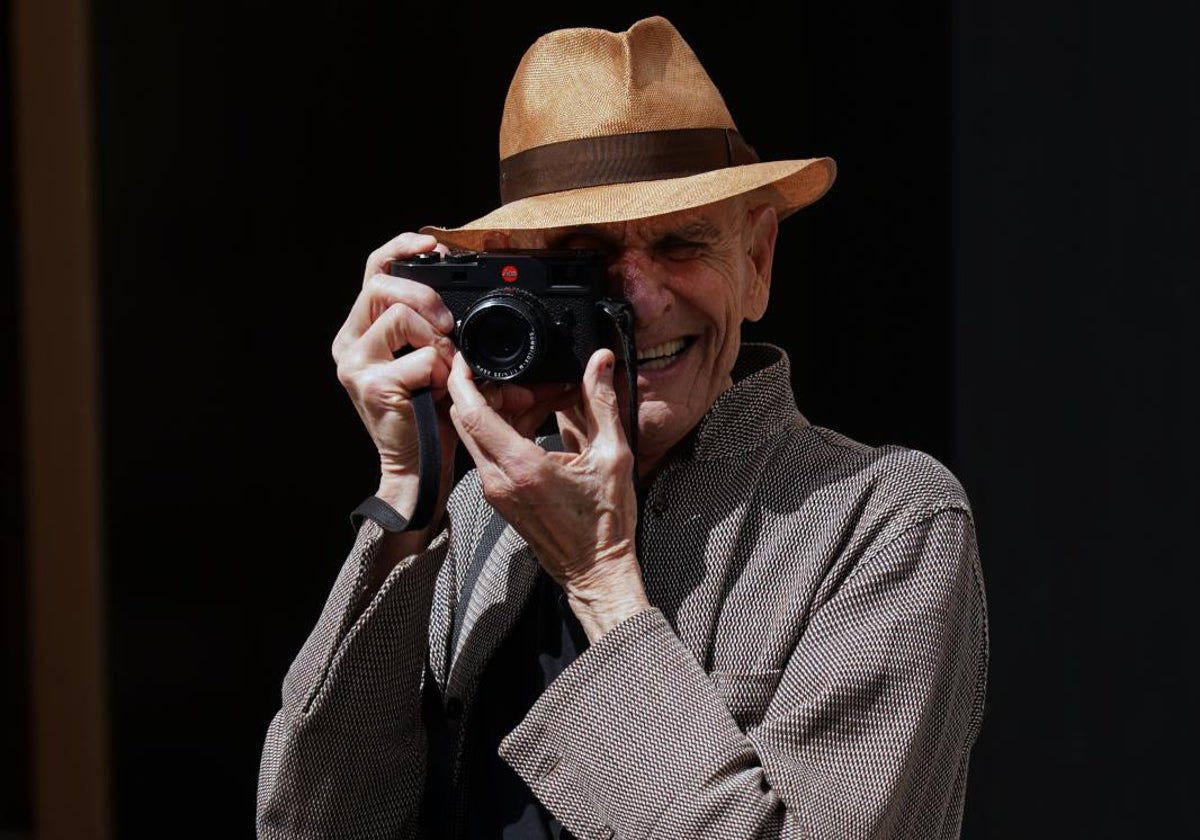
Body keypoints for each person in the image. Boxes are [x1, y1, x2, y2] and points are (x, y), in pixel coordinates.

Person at [256, 15, 989, 840]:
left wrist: (602, 580)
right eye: (584, 257)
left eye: (681, 244)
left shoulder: (885, 521)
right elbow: (310, 826)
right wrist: (408, 496)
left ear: (757, 262)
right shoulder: (471, 521)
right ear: (514, 278)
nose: (639, 300)